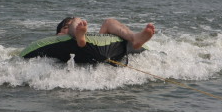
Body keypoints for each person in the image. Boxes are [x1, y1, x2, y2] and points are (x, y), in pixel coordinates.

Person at [20, 17, 156, 64]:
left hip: (92, 45)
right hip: (77, 43)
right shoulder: (58, 38)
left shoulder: (97, 39)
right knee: (77, 19)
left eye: (70, 26)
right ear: (59, 32)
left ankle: (135, 38)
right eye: (66, 27)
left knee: (109, 22)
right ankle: (79, 36)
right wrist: (74, 25)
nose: (68, 28)